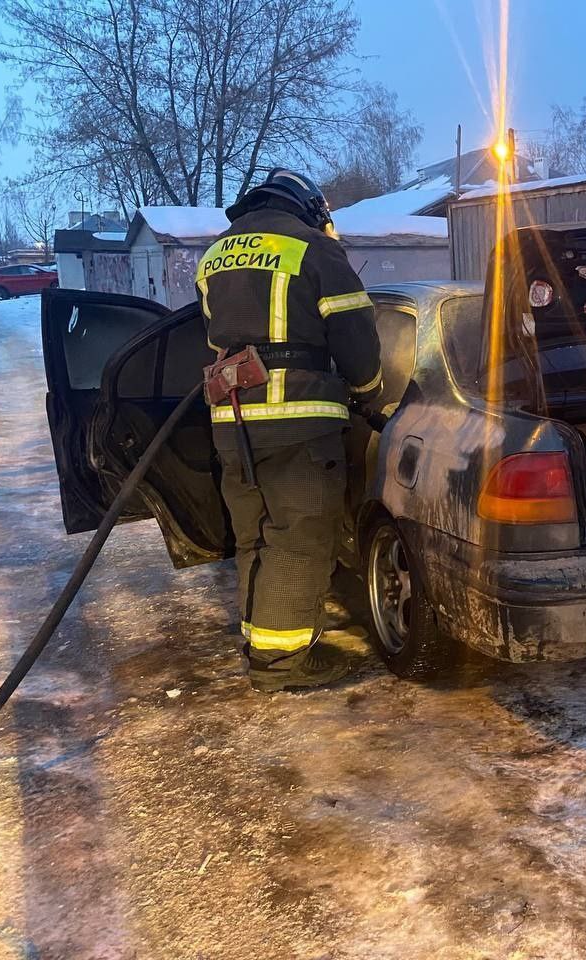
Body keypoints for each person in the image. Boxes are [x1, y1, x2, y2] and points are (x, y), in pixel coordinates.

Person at [195, 169, 382, 692]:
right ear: (306, 206)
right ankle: (282, 664)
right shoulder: (312, 248)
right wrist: (367, 394)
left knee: (254, 536)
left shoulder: (215, 254)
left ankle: (261, 642)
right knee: (299, 540)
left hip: (231, 425)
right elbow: (356, 338)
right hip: (297, 420)